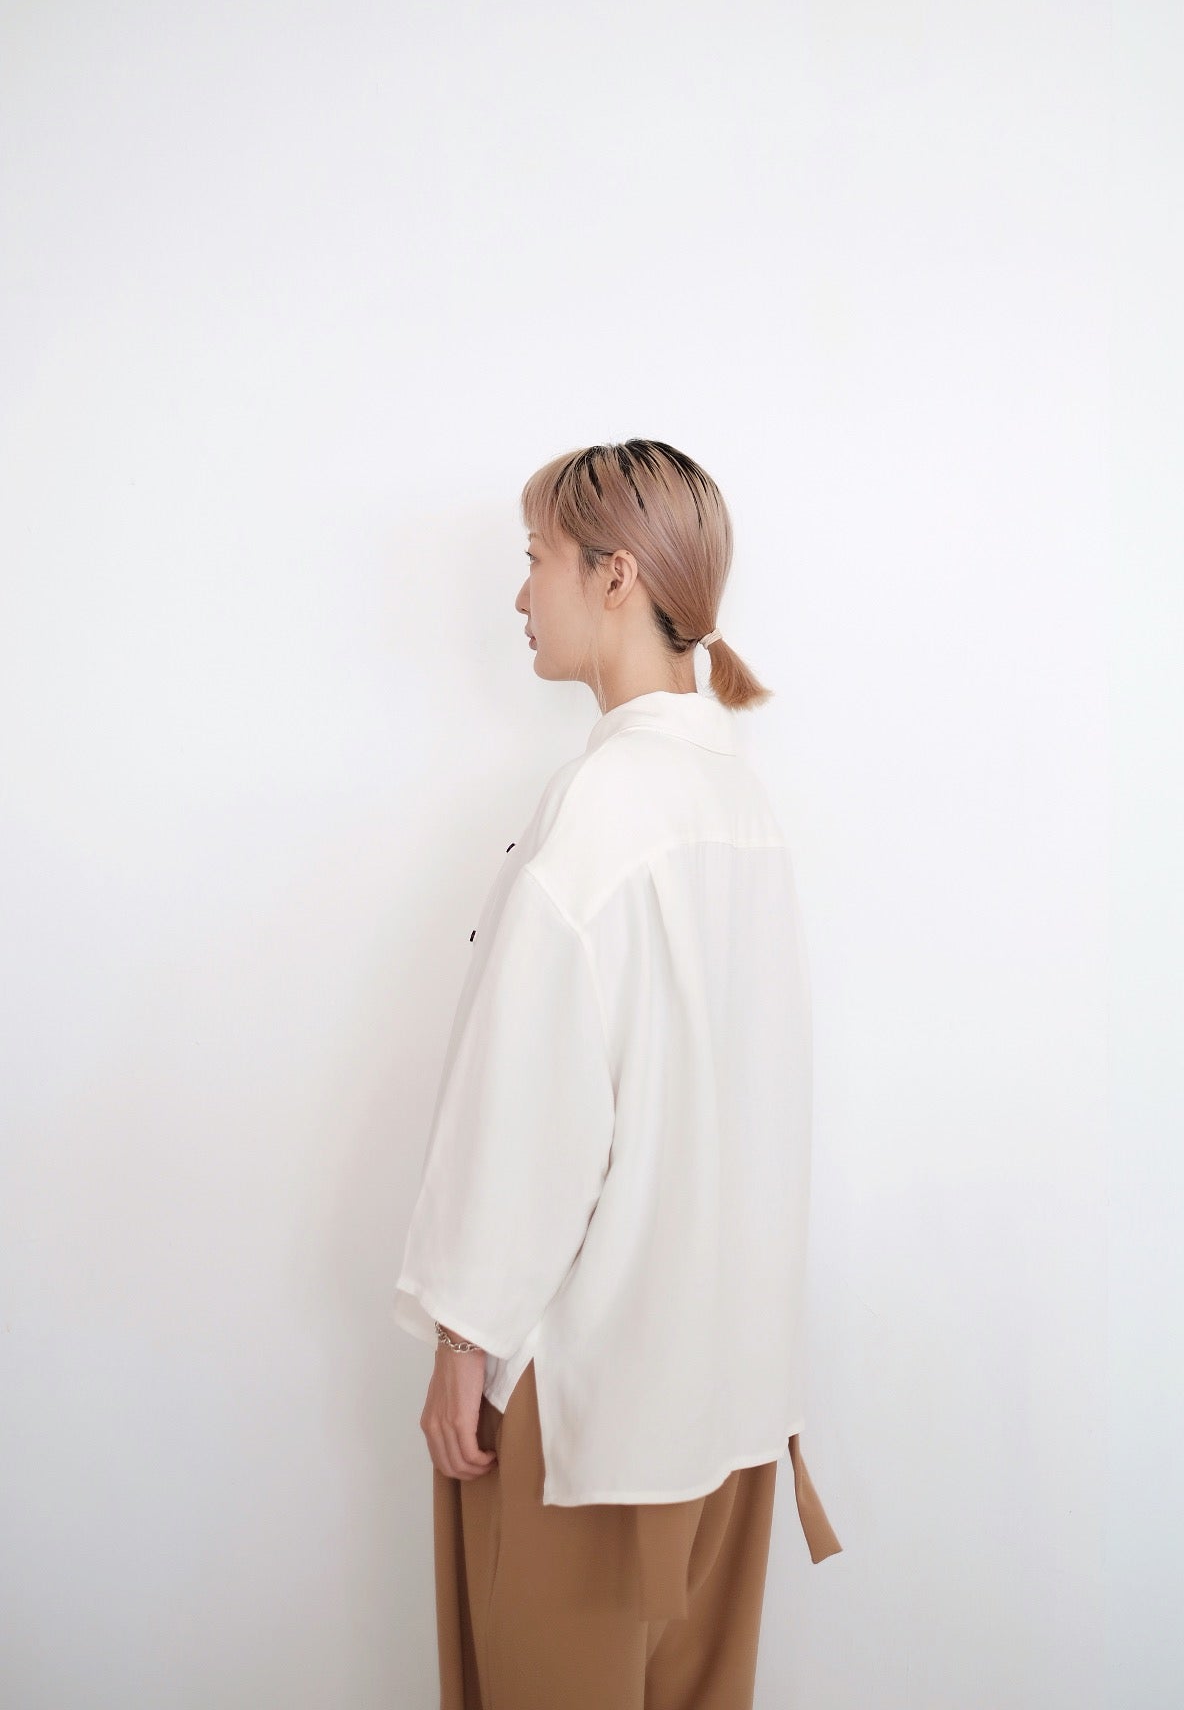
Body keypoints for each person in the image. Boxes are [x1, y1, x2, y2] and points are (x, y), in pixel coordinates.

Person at [393, 439, 841, 1709]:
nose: (518, 593)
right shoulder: (740, 804)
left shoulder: (605, 804)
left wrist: (462, 1336)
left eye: (534, 557)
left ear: (614, 576)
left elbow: (534, 1107)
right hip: (730, 1395)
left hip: (589, 1406)